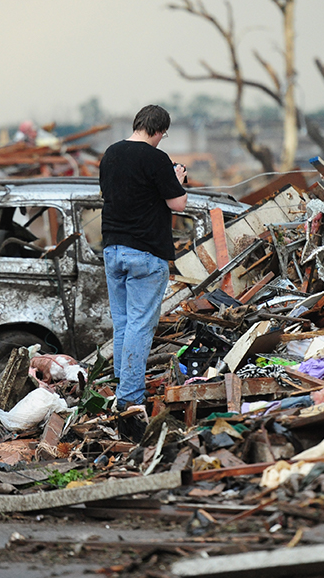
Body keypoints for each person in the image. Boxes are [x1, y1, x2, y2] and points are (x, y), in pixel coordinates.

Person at [99, 105, 187, 438]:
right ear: (159, 130)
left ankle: (121, 386)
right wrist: (177, 180)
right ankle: (130, 399)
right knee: (139, 323)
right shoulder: (155, 158)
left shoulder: (110, 154)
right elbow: (178, 204)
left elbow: (112, 195)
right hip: (145, 253)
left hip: (112, 249)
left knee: (122, 322)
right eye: (163, 133)